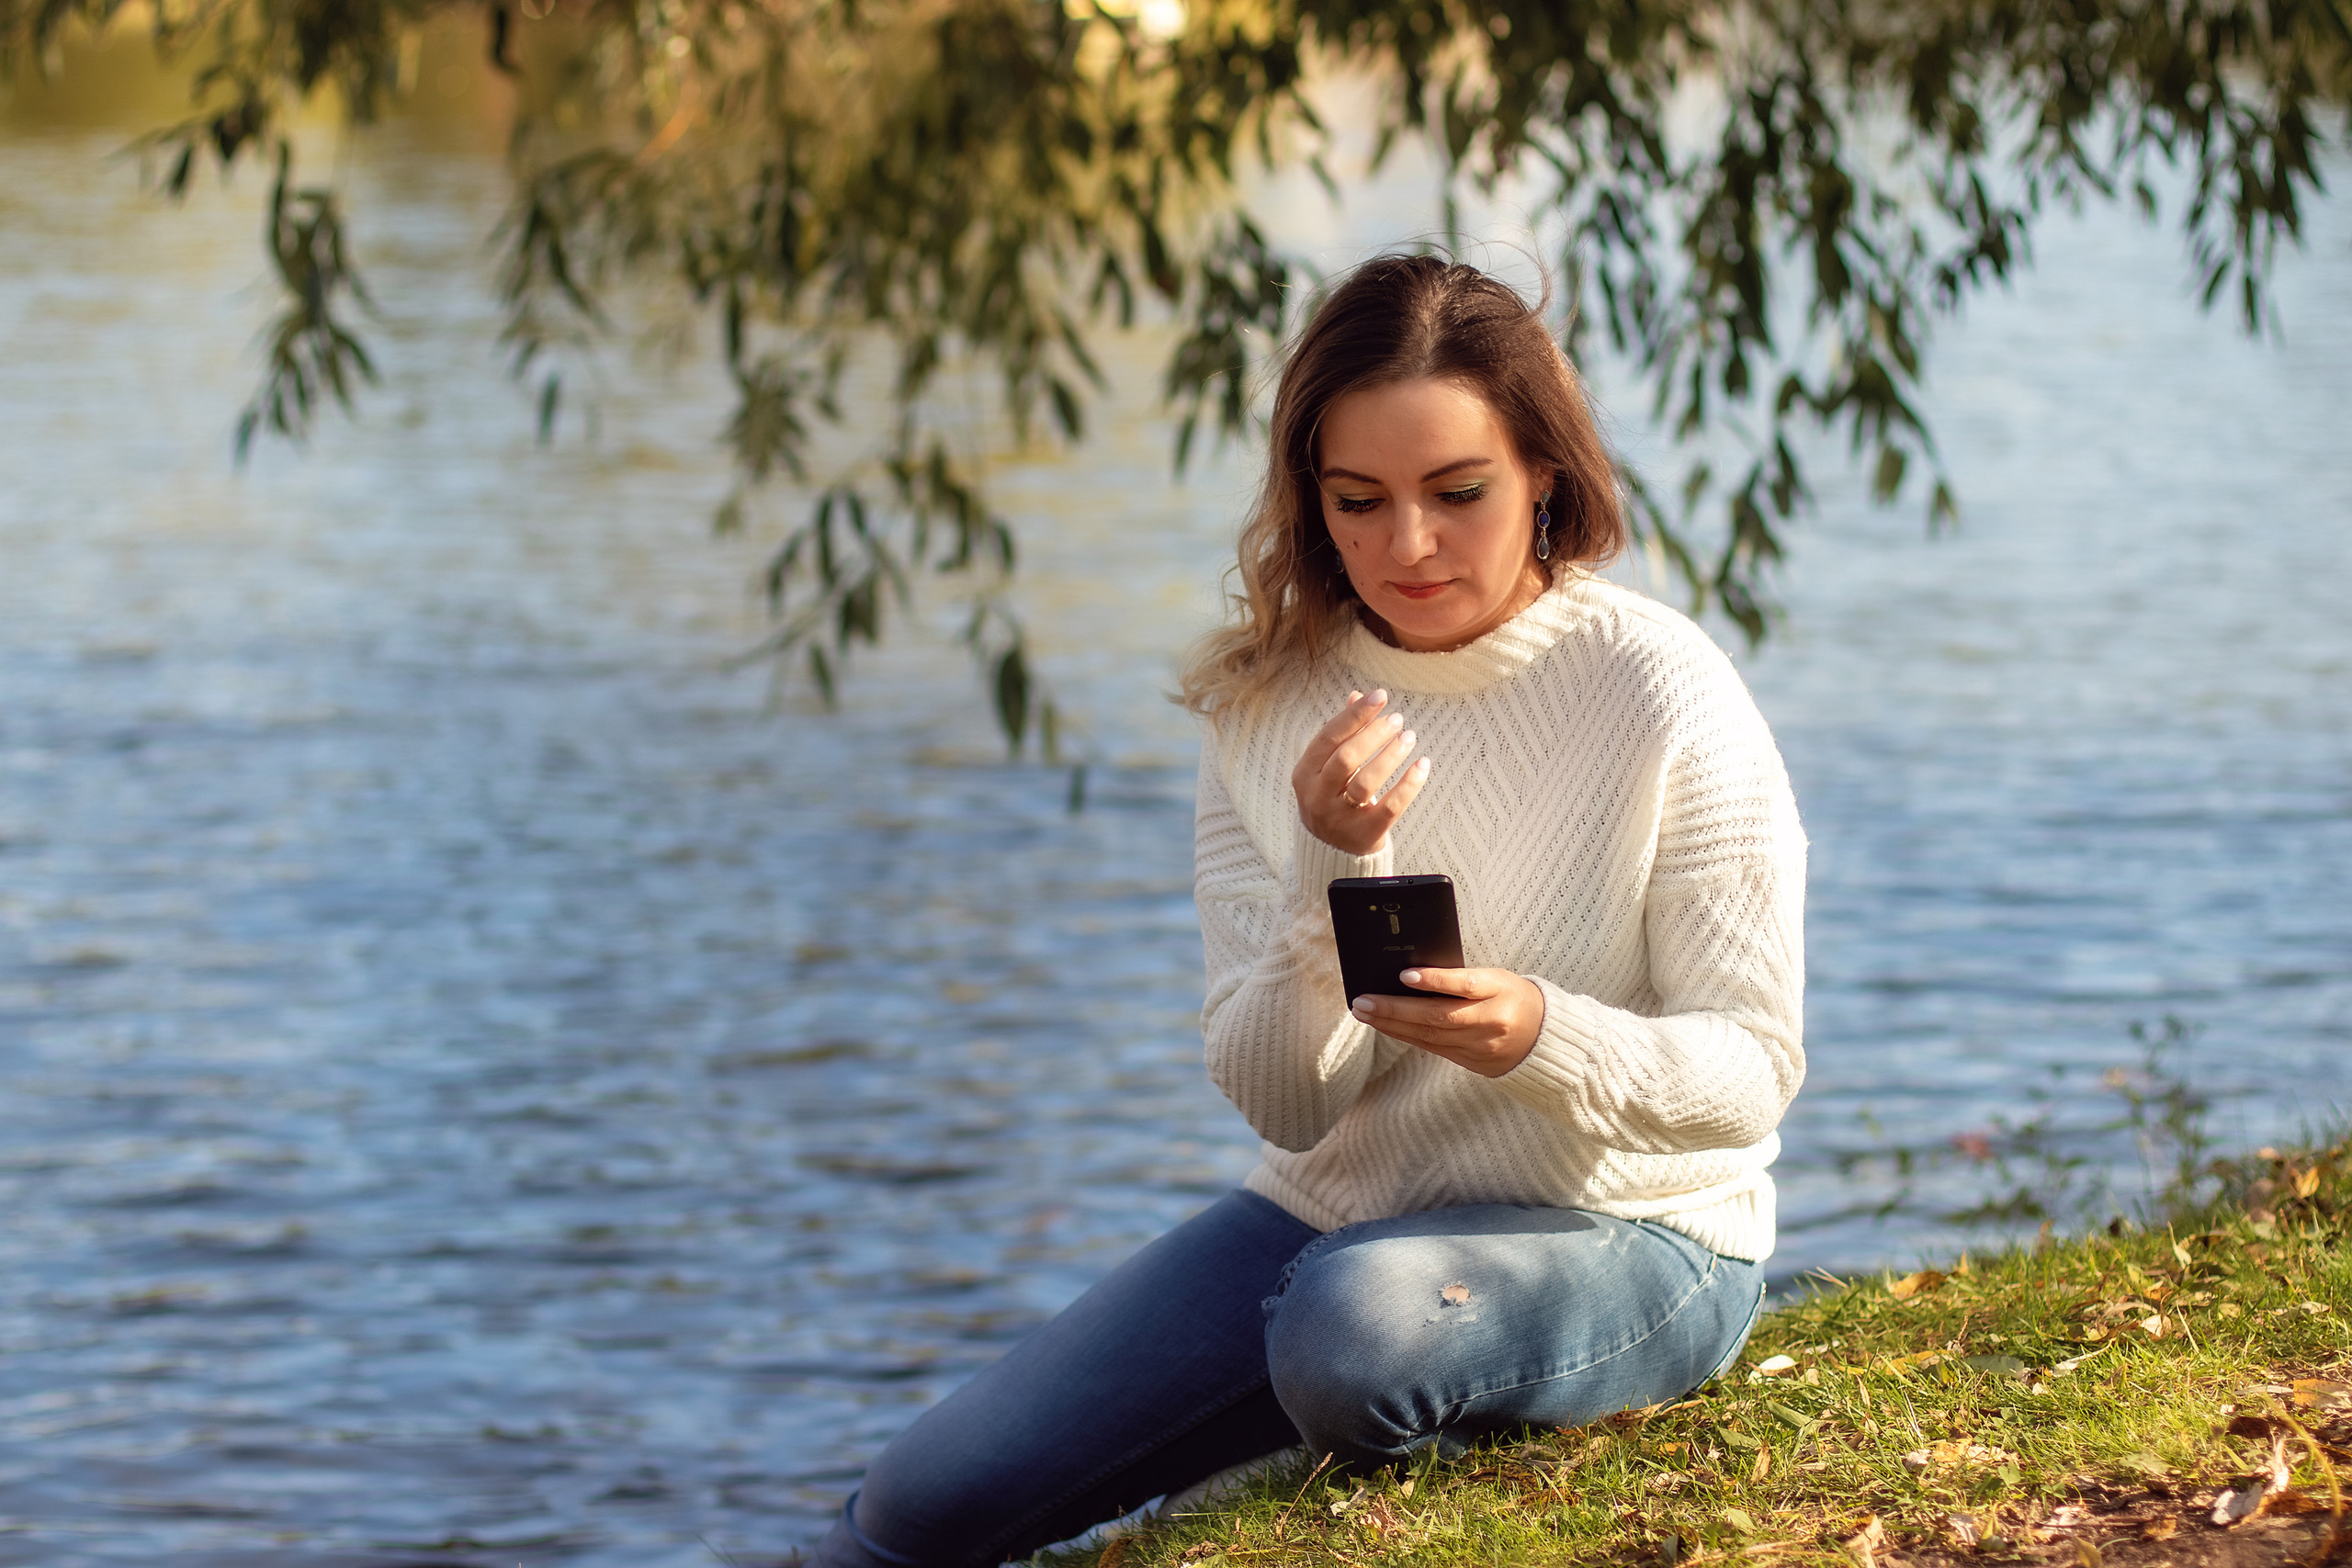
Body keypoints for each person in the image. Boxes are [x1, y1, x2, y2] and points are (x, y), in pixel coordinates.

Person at [809, 254, 1805, 1568]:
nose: (1408, 546)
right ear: (1312, 498)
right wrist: (1332, 866)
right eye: (1359, 501)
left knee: (1354, 1333)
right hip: (1329, 1215)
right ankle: (1313, 1435)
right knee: (913, 1511)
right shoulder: (1262, 705)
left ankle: (1297, 1470)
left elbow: (1752, 1074)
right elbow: (1285, 1106)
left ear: (1545, 475)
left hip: (1631, 1231)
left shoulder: (1661, 689)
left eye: (1459, 495)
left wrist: (1542, 1035)